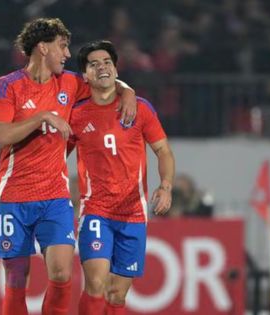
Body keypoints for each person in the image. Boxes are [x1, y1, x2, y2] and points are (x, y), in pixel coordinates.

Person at [0, 18, 137, 315]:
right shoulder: (7, 86)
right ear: (43, 48)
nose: (67, 54)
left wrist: (127, 90)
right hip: (12, 197)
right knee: (17, 278)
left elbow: (104, 79)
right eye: (62, 46)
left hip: (54, 197)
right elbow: (0, 136)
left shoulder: (69, 83)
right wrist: (42, 116)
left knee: (61, 274)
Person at [69, 40, 175, 315]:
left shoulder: (139, 108)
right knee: (95, 282)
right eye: (93, 64)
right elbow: (56, 154)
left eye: (107, 62)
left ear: (116, 69)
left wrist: (166, 187)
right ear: (85, 76)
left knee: (117, 294)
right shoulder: (77, 115)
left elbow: (163, 150)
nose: (101, 67)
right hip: (96, 210)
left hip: (132, 213)